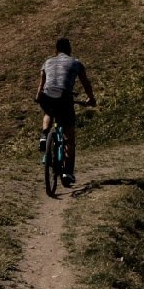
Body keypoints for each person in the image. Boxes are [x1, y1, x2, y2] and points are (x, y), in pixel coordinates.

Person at [36, 36, 97, 184]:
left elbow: (41, 84)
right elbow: (86, 84)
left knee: (48, 112)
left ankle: (44, 135)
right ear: (70, 50)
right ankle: (67, 173)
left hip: (47, 95)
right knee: (69, 136)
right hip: (64, 96)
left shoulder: (47, 62)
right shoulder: (76, 63)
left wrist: (38, 97)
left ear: (55, 50)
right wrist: (91, 99)